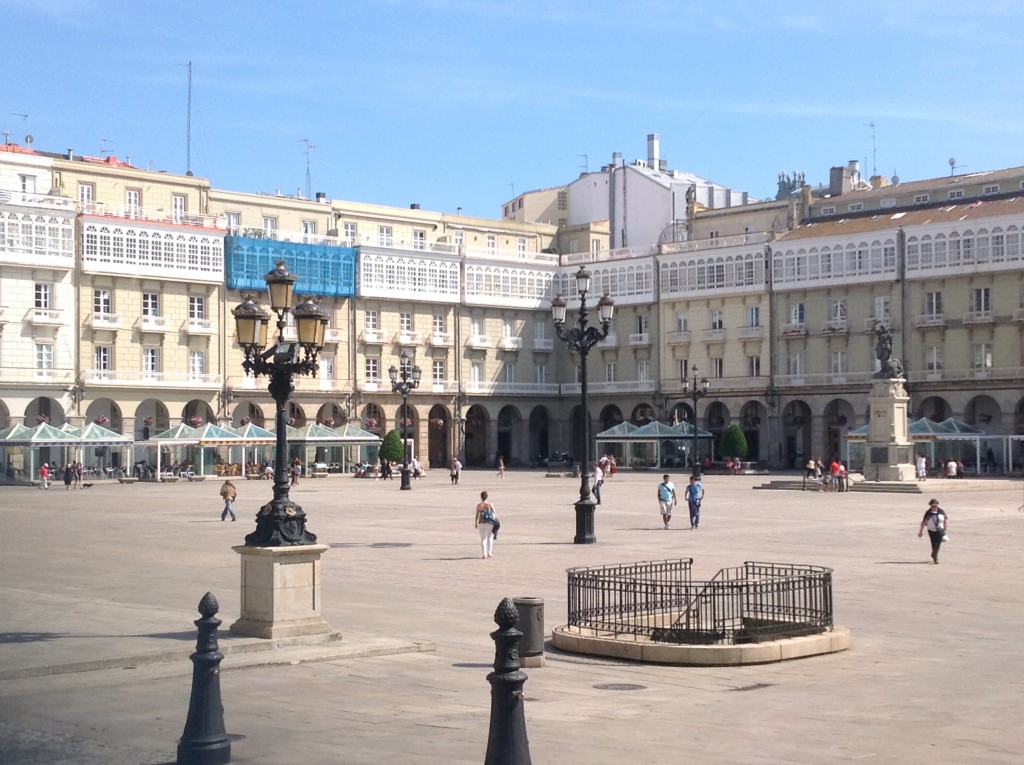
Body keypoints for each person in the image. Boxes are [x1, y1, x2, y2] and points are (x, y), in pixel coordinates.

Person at [918, 498, 948, 564]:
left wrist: (945, 529)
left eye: (935, 506)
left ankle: (935, 557)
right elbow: (923, 522)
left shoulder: (941, 511)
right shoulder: (928, 513)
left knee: (938, 543)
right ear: (930, 506)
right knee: (934, 543)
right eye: (932, 506)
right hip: (931, 530)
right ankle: (934, 554)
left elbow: (945, 520)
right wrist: (920, 532)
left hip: (940, 530)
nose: (934, 507)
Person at [474, 490, 498, 559]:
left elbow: (477, 516)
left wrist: (476, 523)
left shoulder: (479, 505)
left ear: (481, 497)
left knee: (483, 539)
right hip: (490, 523)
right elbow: (495, 514)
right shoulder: (490, 504)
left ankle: (484, 554)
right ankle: (489, 552)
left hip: (481, 523)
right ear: (487, 497)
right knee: (490, 538)